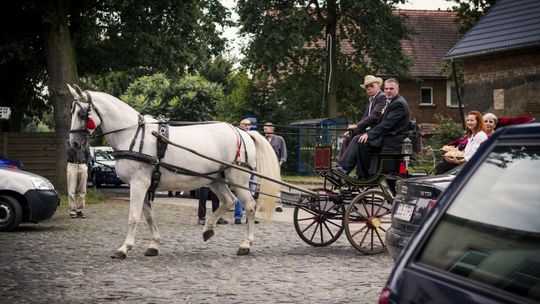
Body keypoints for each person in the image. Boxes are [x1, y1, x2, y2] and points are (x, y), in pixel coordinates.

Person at [337, 78, 411, 179]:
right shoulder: (391, 102)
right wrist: (357, 131)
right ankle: (350, 171)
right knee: (358, 138)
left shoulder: (399, 104)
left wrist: (369, 134)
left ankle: (351, 171)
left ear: (397, 89)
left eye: (391, 89)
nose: (388, 91)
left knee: (360, 140)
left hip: (393, 139)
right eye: (386, 88)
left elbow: (386, 125)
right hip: (387, 135)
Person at [338, 75, 387, 165]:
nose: (369, 88)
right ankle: (340, 165)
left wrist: (357, 126)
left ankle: (344, 168)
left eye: (371, 86)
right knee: (347, 139)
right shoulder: (371, 99)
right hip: (367, 132)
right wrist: (352, 131)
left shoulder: (382, 97)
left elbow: (374, 116)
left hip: (377, 133)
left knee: (357, 139)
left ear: (378, 86)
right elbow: (365, 117)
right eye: (367, 87)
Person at [233, 119, 259, 224]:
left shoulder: (253, 137)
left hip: (253, 167)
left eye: (249, 125)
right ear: (241, 125)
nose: (247, 126)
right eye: (245, 124)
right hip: (243, 167)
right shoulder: (237, 136)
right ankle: (238, 216)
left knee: (251, 193)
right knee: (241, 192)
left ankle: (250, 216)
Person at [263, 122, 287, 212]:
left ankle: (278, 204)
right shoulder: (263, 139)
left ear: (272, 129)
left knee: (276, 184)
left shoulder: (279, 139)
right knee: (264, 184)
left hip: (275, 165)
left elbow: (283, 153)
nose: (264, 130)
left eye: (266, 129)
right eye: (264, 129)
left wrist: (279, 164)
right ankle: (264, 204)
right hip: (265, 164)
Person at [66, 141, 91, 218]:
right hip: (72, 165)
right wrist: (74, 144)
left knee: (82, 190)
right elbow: (69, 153)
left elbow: (89, 155)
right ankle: (72, 211)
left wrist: (86, 164)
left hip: (82, 165)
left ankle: (80, 210)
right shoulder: (69, 142)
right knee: (71, 189)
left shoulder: (85, 142)